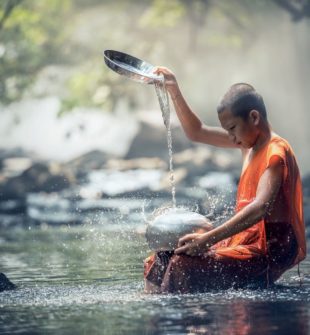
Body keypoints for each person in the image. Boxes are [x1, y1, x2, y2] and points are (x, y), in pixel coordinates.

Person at [144, 67, 306, 294]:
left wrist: (208, 240)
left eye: (232, 129)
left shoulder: (275, 151)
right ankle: (155, 315)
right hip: (243, 241)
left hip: (269, 250)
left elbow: (261, 207)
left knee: (182, 264)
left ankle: (187, 324)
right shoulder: (247, 142)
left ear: (254, 117)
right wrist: (174, 90)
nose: (231, 138)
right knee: (161, 257)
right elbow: (197, 132)